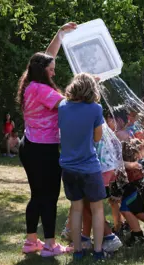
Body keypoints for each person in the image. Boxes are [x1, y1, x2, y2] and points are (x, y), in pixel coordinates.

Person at [17, 22, 76, 257]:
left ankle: (31, 241)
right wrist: (89, 84)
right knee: (49, 196)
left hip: (30, 146)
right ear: (43, 71)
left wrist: (59, 34)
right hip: (43, 150)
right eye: (51, 70)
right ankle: (51, 245)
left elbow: (46, 57)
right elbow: (70, 105)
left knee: (37, 195)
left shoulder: (30, 83)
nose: (54, 72)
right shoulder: (42, 91)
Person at [58, 73, 106, 261]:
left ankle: (77, 250)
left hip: (68, 167)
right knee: (97, 209)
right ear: (91, 89)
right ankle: (99, 250)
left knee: (76, 209)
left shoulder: (62, 107)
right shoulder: (96, 109)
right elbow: (97, 138)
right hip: (89, 168)